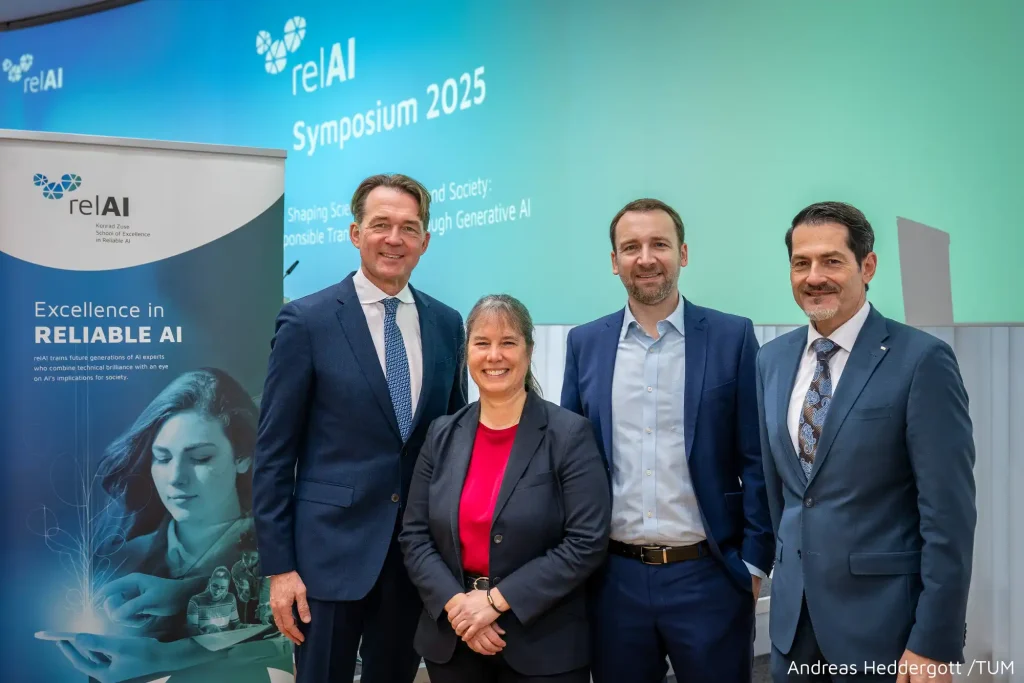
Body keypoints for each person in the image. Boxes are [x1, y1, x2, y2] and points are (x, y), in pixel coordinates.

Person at [251, 173, 468, 683]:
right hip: (326, 562)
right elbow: (274, 454)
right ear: (355, 233)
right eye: (381, 225)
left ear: (425, 241)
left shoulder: (446, 323)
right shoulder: (307, 321)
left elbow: (452, 442)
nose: (395, 239)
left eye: (408, 228)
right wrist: (280, 569)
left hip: (414, 560)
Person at [756, 201, 976, 683]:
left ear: (867, 266)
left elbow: (948, 516)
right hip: (793, 629)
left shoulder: (922, 360)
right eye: (801, 262)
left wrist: (933, 641)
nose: (814, 276)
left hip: (886, 631)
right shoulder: (771, 360)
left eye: (832, 260)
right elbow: (784, 495)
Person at [560, 198, 774, 683]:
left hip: (710, 574)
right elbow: (572, 464)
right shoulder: (585, 343)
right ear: (614, 261)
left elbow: (757, 457)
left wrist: (754, 564)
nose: (646, 258)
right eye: (630, 247)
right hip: (614, 580)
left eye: (659, 244)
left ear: (683, 253)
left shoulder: (732, 336)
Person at [399, 294, 611, 683]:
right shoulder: (442, 434)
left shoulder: (569, 434)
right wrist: (460, 607)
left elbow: (586, 542)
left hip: (544, 644)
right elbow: (414, 535)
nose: (494, 355)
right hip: (455, 638)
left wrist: (495, 602)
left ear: (529, 350)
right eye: (482, 343)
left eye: (508, 342)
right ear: (467, 353)